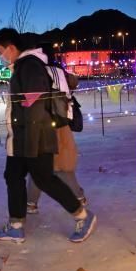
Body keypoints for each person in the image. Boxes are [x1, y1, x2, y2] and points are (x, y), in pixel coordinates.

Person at [0, 28, 96, 243]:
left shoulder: (29, 65)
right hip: (22, 136)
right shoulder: (22, 66)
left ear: (11, 47)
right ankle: (16, 225)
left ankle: (83, 216)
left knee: (45, 179)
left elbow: (35, 99)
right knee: (13, 176)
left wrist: (27, 136)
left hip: (34, 136)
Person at [26, 43, 86, 214]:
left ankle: (31, 203)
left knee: (41, 168)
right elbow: (74, 83)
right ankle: (79, 196)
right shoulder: (59, 71)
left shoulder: (38, 71)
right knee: (63, 167)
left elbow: (31, 99)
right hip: (62, 123)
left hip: (45, 125)